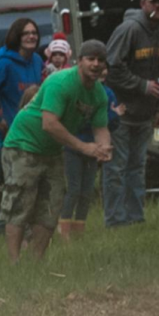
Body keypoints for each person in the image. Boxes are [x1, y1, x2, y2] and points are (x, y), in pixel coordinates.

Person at [0, 40, 113, 263]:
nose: (95, 64)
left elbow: (100, 128)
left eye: (100, 60)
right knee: (21, 203)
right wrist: (84, 147)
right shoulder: (60, 82)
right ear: (79, 61)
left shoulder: (99, 95)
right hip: (23, 143)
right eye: (90, 59)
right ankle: (13, 263)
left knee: (51, 207)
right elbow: (49, 124)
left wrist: (104, 148)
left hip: (51, 150)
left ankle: (35, 263)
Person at [103, 0, 159, 228]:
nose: (158, 6)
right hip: (121, 112)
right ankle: (115, 220)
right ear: (143, 4)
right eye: (154, 1)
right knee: (117, 168)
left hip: (145, 114)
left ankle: (135, 218)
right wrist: (142, 86)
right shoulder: (129, 29)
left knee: (137, 167)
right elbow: (110, 68)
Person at [0, 18, 45, 239]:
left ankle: (26, 236)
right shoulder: (4, 64)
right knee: (14, 191)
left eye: (34, 32)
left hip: (34, 134)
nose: (32, 36)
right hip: (10, 138)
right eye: (26, 33)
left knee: (33, 189)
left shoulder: (37, 61)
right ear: (16, 37)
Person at [57, 65, 124, 240]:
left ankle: (79, 229)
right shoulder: (78, 91)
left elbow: (110, 125)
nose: (102, 72)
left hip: (94, 148)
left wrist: (116, 116)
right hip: (73, 146)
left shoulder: (108, 93)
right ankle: (64, 230)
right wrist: (110, 115)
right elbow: (82, 120)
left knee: (87, 190)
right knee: (73, 188)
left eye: (104, 69)